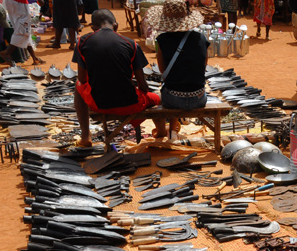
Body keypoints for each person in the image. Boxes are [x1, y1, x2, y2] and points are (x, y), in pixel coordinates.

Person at [72, 9, 161, 147]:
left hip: (98, 104)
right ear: (116, 25)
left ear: (93, 28)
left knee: (78, 87)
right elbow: (143, 85)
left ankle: (85, 136)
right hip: (130, 104)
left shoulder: (82, 42)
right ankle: (161, 131)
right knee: (157, 98)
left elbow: (82, 79)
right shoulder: (131, 44)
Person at [147, 0, 209, 141]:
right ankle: (172, 130)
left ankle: (168, 131)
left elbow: (163, 70)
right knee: (177, 85)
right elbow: (203, 67)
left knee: (162, 93)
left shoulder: (162, 40)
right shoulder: (201, 38)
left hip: (172, 99)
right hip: (198, 98)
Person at [0, 0, 47, 65]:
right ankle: (6, 52)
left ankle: (34, 58)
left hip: (11, 3)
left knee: (24, 29)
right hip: (19, 3)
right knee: (23, 30)